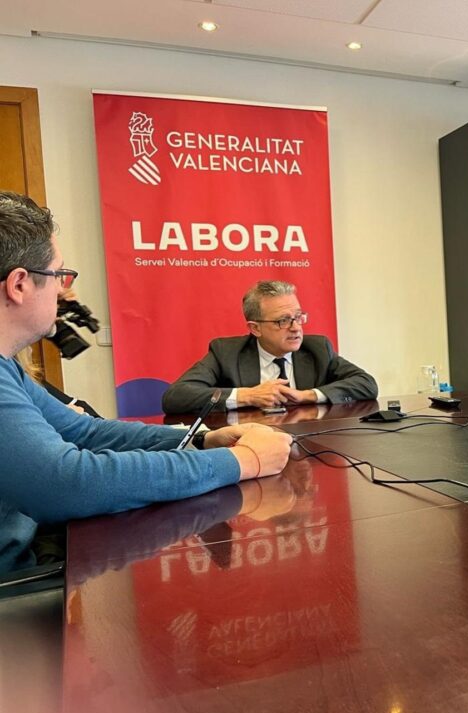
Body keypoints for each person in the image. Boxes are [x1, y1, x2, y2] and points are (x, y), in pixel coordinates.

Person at [0, 191, 293, 575]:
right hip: (17, 590)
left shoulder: (8, 367)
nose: (62, 289)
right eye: (59, 275)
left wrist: (201, 440)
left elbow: (86, 432)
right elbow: (68, 483)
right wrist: (242, 462)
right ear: (19, 284)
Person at [161, 280, 377, 414]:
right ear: (255, 328)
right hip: (250, 449)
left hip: (311, 446)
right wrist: (248, 396)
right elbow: (176, 397)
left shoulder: (317, 348)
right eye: (283, 321)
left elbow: (366, 384)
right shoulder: (226, 353)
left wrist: (308, 395)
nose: (296, 328)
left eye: (298, 317)